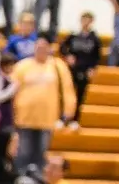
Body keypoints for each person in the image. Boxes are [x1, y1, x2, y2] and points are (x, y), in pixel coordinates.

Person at [10, 36, 75, 171]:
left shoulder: (58, 66)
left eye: (44, 48)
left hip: (47, 118)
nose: (41, 51)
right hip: (24, 118)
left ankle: (37, 181)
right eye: (39, 48)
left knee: (41, 153)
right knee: (23, 152)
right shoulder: (22, 66)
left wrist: (68, 111)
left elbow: (67, 88)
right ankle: (19, 180)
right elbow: (11, 90)